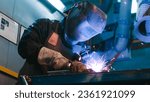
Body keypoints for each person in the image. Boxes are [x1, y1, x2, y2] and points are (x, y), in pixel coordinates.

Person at [18, 1, 107, 76]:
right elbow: (25, 46)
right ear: (74, 14)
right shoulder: (45, 26)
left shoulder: (83, 50)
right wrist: (63, 62)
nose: (84, 34)